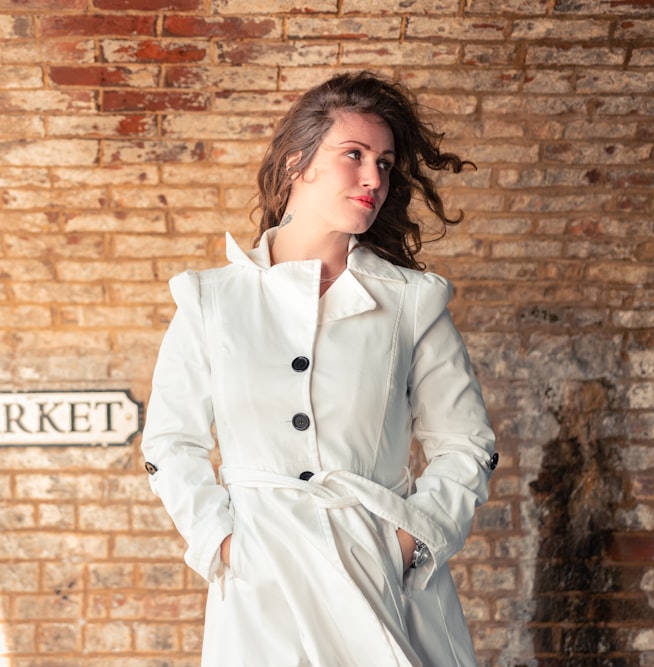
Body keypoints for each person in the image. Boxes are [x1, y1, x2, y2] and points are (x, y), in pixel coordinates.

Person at [140, 70, 498, 666]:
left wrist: (409, 540)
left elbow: (466, 444)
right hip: (263, 576)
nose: (372, 178)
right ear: (295, 162)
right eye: (352, 155)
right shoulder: (212, 299)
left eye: (384, 163)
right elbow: (171, 441)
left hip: (378, 568)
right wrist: (224, 543)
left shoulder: (412, 301)